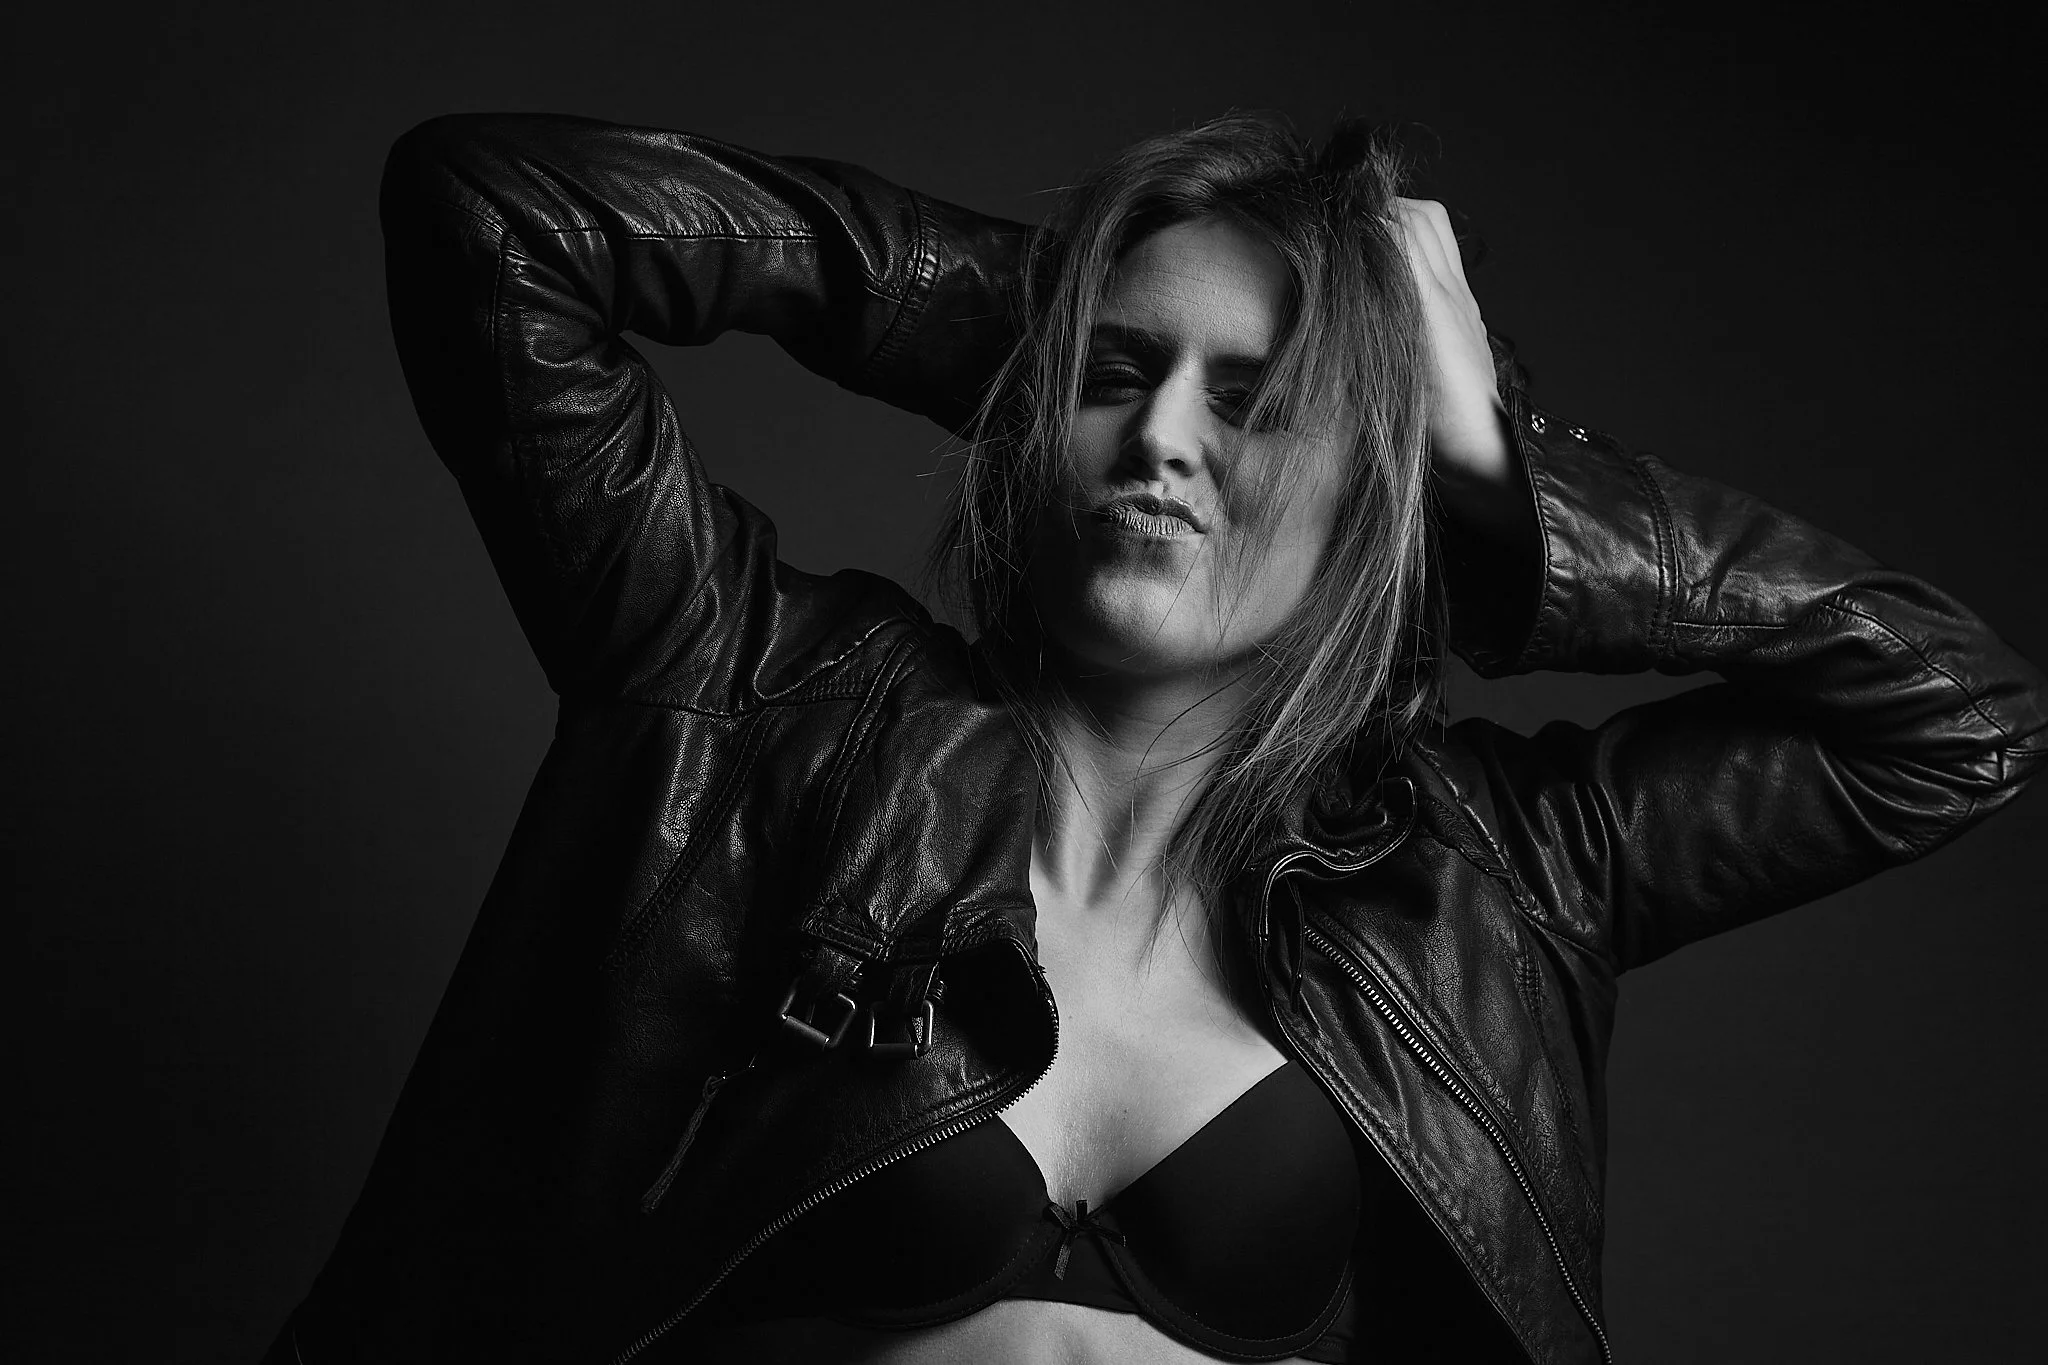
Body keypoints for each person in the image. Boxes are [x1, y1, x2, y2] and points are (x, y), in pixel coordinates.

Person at [264, 110, 2045, 1365]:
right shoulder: (760, 703)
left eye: (1256, 404)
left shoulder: (1486, 878)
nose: (1165, 442)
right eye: (1116, 381)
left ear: (1381, 492)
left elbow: (1954, 714)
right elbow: (496, 213)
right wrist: (1046, 312)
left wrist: (1491, 471)